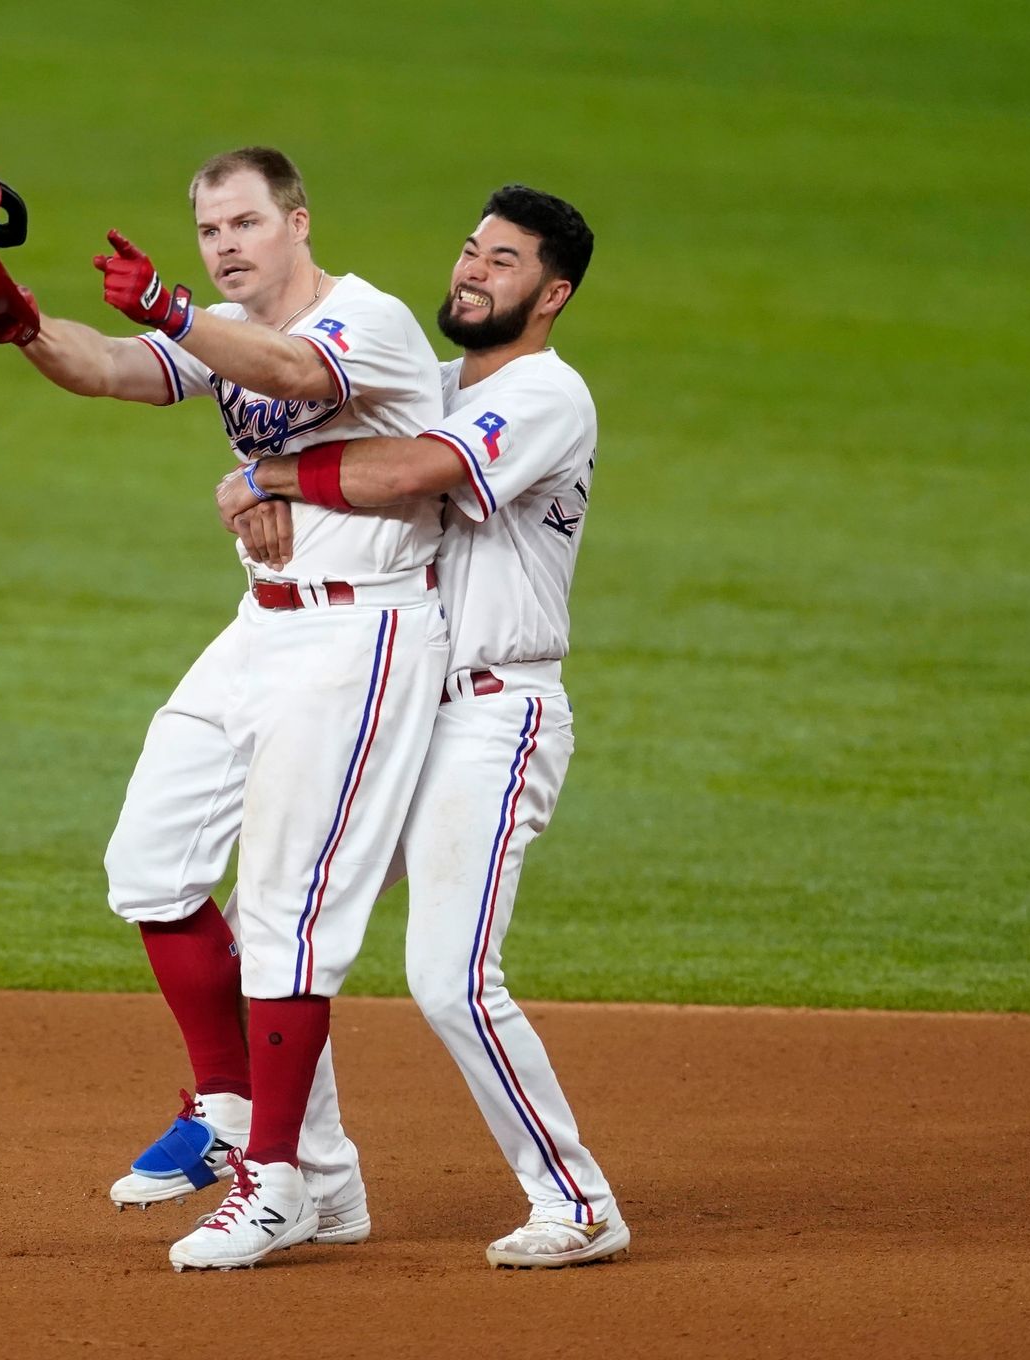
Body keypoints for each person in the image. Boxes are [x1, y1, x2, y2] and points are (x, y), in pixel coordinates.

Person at [0, 146, 449, 1272]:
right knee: (150, 861)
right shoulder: (214, 333)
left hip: (360, 634)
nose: (226, 243)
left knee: (285, 913)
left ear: (297, 221)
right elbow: (106, 369)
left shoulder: (364, 321)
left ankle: (278, 1182)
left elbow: (290, 373)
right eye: (208, 230)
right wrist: (20, 324)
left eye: (244, 222)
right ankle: (234, 1116)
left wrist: (177, 311)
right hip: (261, 628)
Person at [213, 185, 627, 1269]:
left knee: (448, 975)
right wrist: (276, 502)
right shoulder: (431, 385)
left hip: (492, 715)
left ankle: (578, 1199)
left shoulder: (544, 394)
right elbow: (341, 461)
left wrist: (272, 477)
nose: (474, 270)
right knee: (281, 923)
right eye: (469, 249)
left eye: (504, 260)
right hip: (391, 699)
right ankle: (306, 1177)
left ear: (553, 293)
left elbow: (407, 473)